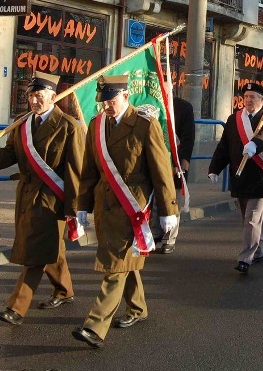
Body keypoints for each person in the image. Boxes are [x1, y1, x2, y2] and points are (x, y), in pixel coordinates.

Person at [71, 74, 179, 349]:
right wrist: (82, 206)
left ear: (126, 96)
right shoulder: (96, 126)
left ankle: (95, 326)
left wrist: (169, 210)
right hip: (104, 205)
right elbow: (89, 171)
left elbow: (161, 170)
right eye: (103, 101)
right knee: (125, 261)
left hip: (133, 206)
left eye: (111, 99)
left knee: (116, 266)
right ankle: (138, 308)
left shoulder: (144, 124)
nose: (107, 105)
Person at [0, 72, 85, 326]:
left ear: (53, 97)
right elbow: (11, 153)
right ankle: (64, 290)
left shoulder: (69, 127)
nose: (34, 100)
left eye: (39, 95)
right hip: (26, 196)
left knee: (35, 253)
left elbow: (75, 170)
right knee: (51, 248)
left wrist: (75, 208)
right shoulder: (22, 124)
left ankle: (16, 308)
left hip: (52, 198)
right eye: (31, 95)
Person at [207, 82, 263, 274]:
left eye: (253, 97)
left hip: (260, 176)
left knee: (252, 219)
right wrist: (214, 168)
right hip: (239, 176)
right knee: (247, 217)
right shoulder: (234, 119)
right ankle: (258, 251)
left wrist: (256, 144)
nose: (248, 100)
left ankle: (245, 258)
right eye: (246, 96)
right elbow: (224, 146)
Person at [151, 95, 195, 254]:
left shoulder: (183, 106)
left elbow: (188, 137)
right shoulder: (150, 104)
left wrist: (183, 161)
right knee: (154, 199)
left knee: (171, 199)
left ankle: (169, 238)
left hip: (174, 161)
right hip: (154, 159)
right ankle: (155, 233)